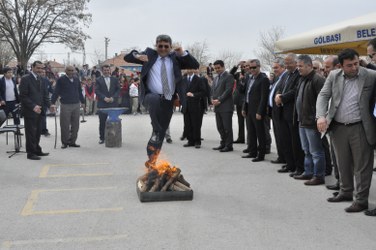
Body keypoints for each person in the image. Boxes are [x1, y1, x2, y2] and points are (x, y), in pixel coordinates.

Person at [124, 34, 199, 167]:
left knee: (159, 134)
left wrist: (182, 53)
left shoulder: (175, 58)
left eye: (166, 46)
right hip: (150, 96)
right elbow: (127, 57)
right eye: (160, 46)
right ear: (156, 46)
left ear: (170, 47)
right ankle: (156, 125)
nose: (163, 49)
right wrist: (136, 56)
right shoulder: (149, 55)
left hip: (168, 100)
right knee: (154, 100)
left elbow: (194, 64)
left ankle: (152, 160)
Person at [316, 48, 376, 213]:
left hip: (361, 127)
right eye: (349, 65)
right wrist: (321, 116)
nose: (354, 67)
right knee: (342, 163)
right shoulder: (334, 76)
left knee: (362, 166)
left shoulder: (370, 76)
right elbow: (323, 95)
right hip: (338, 127)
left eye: (356, 63)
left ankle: (362, 200)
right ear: (341, 66)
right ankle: (345, 191)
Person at [293, 55, 326, 185]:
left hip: (312, 122)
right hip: (302, 121)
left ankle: (319, 176)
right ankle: (308, 172)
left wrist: (317, 118)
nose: (298, 68)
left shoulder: (317, 79)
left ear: (309, 66)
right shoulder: (302, 79)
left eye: (300, 66)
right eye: (297, 66)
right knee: (306, 150)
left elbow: (322, 100)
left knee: (316, 151)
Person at [18, 61, 52, 160]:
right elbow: (23, 96)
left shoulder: (42, 79)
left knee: (37, 132)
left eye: (42, 68)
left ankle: (37, 149)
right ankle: (30, 153)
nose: (40, 70)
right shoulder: (25, 79)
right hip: (30, 111)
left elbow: (45, 95)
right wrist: (33, 106)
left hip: (40, 110)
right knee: (30, 133)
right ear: (32, 67)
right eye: (38, 68)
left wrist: (50, 105)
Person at [241, 59, 269, 162]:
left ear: (259, 67)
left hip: (257, 111)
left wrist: (260, 112)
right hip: (249, 109)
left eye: (254, 67)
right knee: (251, 132)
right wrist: (244, 108)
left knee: (260, 133)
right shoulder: (249, 78)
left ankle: (261, 154)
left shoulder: (263, 79)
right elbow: (247, 94)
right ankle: (252, 152)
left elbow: (264, 97)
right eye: (250, 67)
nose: (251, 69)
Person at [51, 65, 85, 149]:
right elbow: (56, 92)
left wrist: (83, 102)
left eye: (73, 70)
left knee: (76, 124)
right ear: (66, 71)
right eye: (69, 70)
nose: (71, 72)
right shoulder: (61, 80)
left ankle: (72, 141)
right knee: (65, 125)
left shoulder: (77, 79)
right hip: (65, 105)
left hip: (76, 104)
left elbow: (79, 91)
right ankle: (65, 142)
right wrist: (52, 103)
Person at [212, 60, 235, 153]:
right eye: (215, 68)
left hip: (226, 106)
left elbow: (228, 91)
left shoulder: (229, 76)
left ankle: (229, 145)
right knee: (220, 127)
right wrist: (212, 99)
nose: (217, 70)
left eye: (218, 68)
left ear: (223, 67)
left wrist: (219, 100)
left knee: (227, 127)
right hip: (217, 106)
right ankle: (223, 143)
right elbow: (213, 90)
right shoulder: (216, 78)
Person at [95, 64, 120, 144]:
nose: (106, 72)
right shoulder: (98, 80)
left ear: (110, 70)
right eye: (105, 70)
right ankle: (102, 138)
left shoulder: (115, 79)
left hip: (113, 104)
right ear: (102, 71)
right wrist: (104, 98)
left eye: (108, 70)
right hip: (102, 104)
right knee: (102, 122)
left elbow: (118, 90)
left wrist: (113, 98)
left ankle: (114, 136)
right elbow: (97, 91)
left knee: (113, 121)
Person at [181, 69, 206, 149]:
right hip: (186, 105)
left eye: (189, 68)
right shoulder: (184, 79)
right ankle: (190, 141)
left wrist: (193, 94)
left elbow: (203, 92)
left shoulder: (199, 79)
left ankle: (197, 141)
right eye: (186, 68)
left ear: (193, 69)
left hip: (195, 105)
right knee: (187, 124)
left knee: (196, 124)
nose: (187, 70)